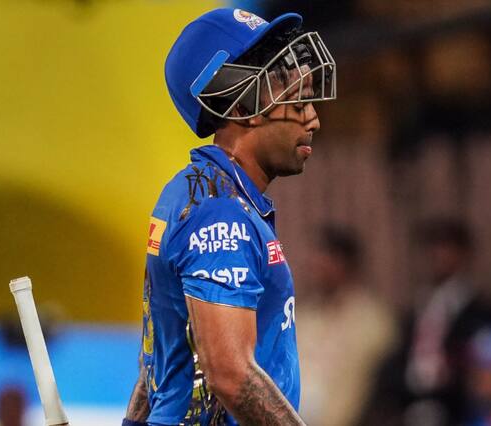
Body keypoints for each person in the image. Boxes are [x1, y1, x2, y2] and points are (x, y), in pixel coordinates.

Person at [123, 7, 335, 426]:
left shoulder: (193, 193)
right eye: (296, 99)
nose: (313, 117)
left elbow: (161, 361)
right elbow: (230, 374)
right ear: (244, 105)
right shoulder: (220, 214)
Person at [362, 218, 491, 426]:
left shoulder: (479, 312)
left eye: (447, 248)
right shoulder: (420, 307)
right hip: (409, 406)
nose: (439, 256)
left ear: (464, 254)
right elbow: (399, 360)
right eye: (434, 249)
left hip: (454, 410)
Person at [296, 226, 395, 426]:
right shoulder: (303, 317)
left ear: (344, 265)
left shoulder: (373, 322)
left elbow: (368, 391)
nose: (315, 269)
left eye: (324, 262)